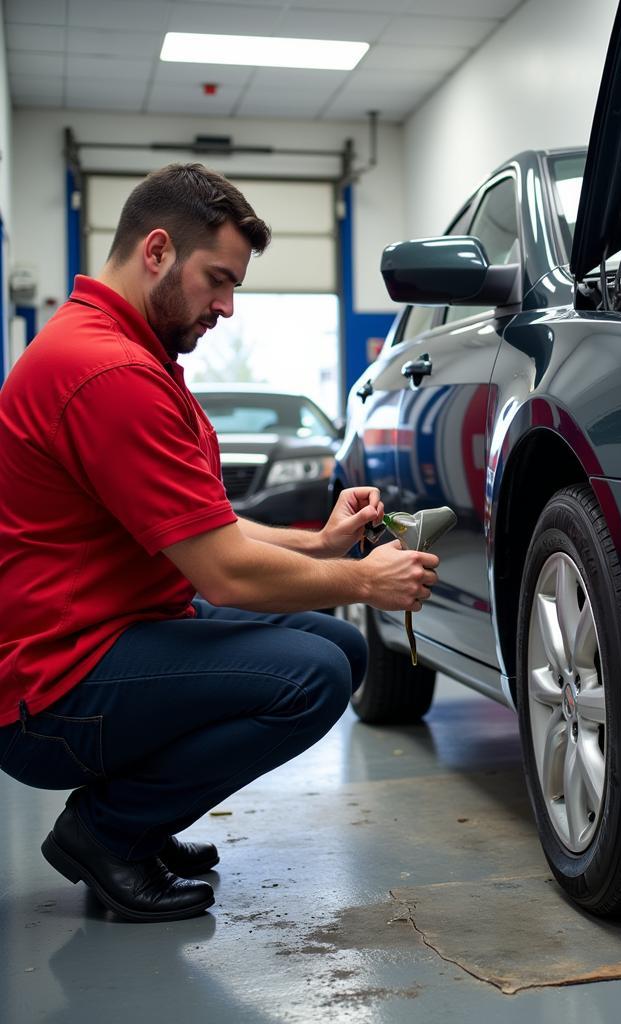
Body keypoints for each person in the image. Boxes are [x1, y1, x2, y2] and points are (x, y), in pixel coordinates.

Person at [0, 164, 439, 923]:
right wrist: (366, 582)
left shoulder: (125, 353)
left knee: (342, 650)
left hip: (118, 636)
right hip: (54, 690)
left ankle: (138, 820)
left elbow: (211, 531)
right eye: (218, 280)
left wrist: (324, 545)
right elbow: (226, 574)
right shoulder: (106, 371)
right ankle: (105, 833)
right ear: (158, 250)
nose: (227, 307)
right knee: (311, 677)